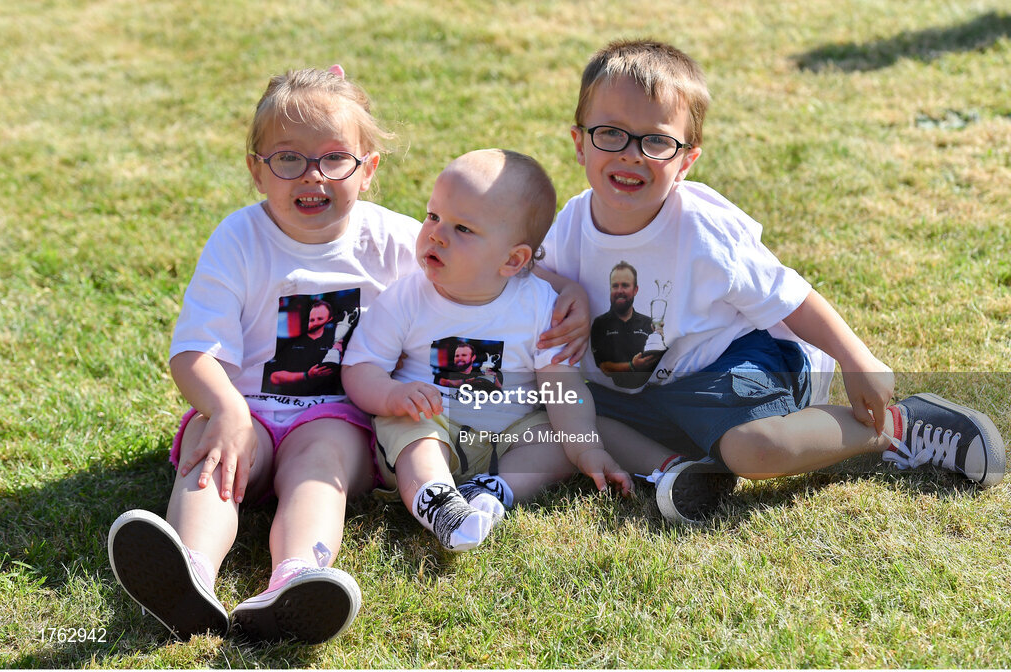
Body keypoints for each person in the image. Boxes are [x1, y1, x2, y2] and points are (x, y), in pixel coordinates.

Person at [536, 39, 1006, 524]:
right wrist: (563, 286)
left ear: (686, 161)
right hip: (649, 390)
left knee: (753, 450)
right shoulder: (570, 225)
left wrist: (856, 358)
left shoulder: (701, 228)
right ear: (579, 143)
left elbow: (792, 297)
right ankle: (681, 472)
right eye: (611, 133)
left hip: (735, 363)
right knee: (555, 411)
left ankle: (897, 428)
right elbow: (530, 274)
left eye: (656, 141)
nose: (632, 154)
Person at [105, 65, 425, 645]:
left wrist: (562, 293)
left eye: (334, 158)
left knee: (317, 466)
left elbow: (481, 270)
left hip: (338, 418)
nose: (312, 177)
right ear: (257, 170)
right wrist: (226, 412)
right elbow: (194, 352)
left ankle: (298, 578)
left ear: (368, 168)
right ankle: (190, 574)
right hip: (244, 409)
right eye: (288, 159)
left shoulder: (396, 242)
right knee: (214, 462)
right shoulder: (239, 239)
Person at [342, 149, 632, 552]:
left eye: (462, 228)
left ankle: (495, 490)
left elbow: (561, 387)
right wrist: (391, 395)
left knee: (558, 438)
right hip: (430, 421)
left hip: (509, 435)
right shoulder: (407, 297)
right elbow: (360, 366)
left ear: (513, 260)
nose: (437, 234)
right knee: (410, 434)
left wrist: (586, 447)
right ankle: (440, 502)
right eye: (433, 216)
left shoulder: (539, 305)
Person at [590, 261, 661, 388]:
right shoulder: (600, 324)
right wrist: (632, 366)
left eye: (625, 285)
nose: (619, 291)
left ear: (635, 290)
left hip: (652, 392)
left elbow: (658, 363)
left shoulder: (648, 323)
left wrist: (660, 340)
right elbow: (604, 367)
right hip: (608, 395)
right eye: (615, 286)